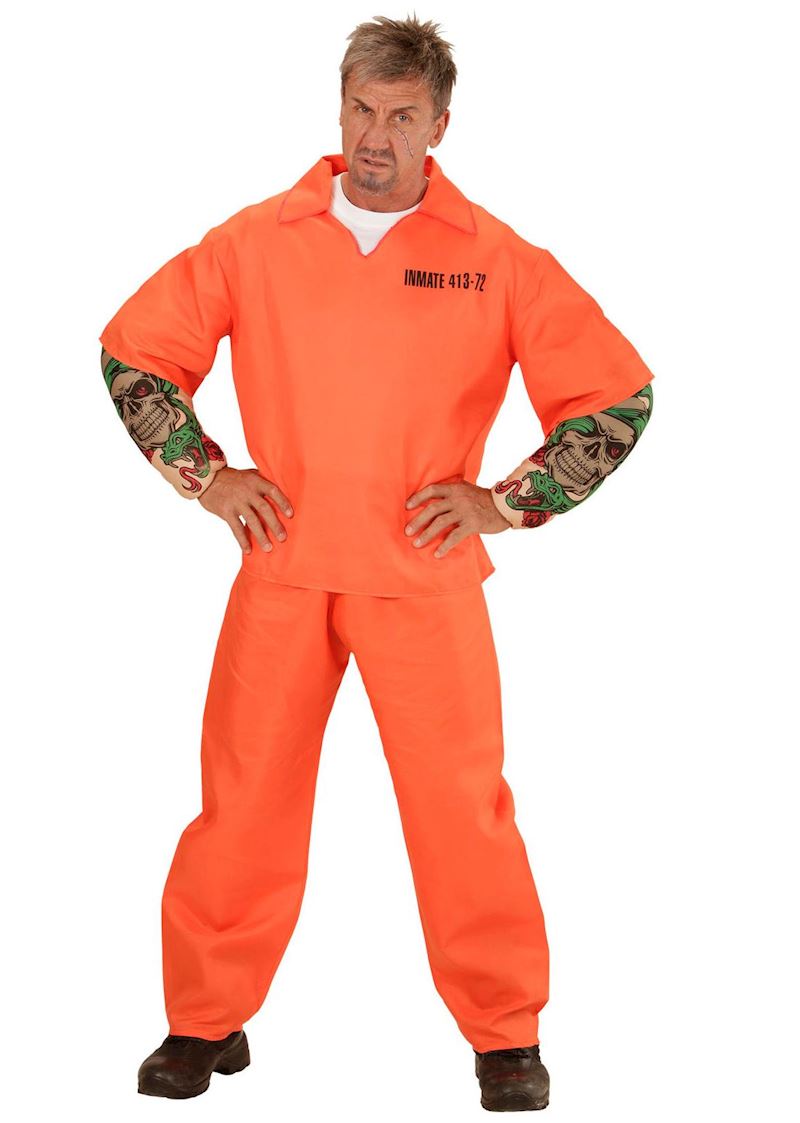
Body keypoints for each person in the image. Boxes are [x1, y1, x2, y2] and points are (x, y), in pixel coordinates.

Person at [99, 14, 654, 1110]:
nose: (374, 136)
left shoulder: (494, 259)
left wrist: (506, 503)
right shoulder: (255, 241)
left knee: (461, 812)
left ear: (440, 125)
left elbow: (617, 396)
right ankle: (204, 1019)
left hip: (423, 574)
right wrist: (206, 476)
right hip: (283, 565)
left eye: (401, 116)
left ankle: (505, 1032)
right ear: (339, 106)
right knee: (241, 804)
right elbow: (134, 353)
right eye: (361, 108)